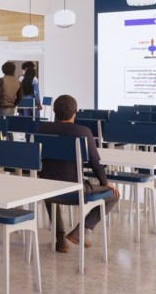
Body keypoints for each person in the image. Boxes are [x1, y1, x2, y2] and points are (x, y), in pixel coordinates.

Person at [37, 95, 118, 253]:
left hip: (48, 191)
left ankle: (60, 237)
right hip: (75, 192)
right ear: (75, 112)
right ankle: (81, 230)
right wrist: (105, 183)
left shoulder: (43, 129)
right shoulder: (83, 132)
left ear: (54, 111)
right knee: (114, 195)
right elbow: (95, 163)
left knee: (48, 185)